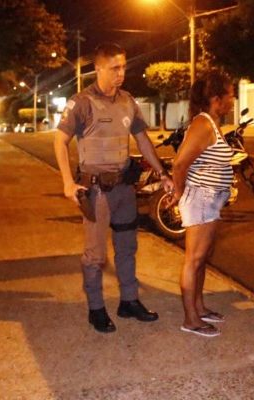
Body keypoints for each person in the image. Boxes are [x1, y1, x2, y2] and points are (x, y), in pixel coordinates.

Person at [54, 43, 174, 333]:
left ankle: (128, 301)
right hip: (96, 192)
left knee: (127, 247)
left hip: (124, 189)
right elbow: (60, 140)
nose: (121, 73)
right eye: (114, 68)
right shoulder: (82, 102)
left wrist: (162, 173)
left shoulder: (128, 101)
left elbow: (142, 140)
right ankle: (96, 308)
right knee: (95, 255)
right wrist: (68, 181)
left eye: (123, 67)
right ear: (98, 69)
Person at [171, 71, 235, 337]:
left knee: (202, 259)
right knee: (193, 260)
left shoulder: (211, 122)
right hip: (200, 199)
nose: (233, 99)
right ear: (216, 98)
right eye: (230, 95)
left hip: (210, 199)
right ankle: (190, 319)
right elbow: (179, 163)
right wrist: (179, 193)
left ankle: (199, 307)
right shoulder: (202, 125)